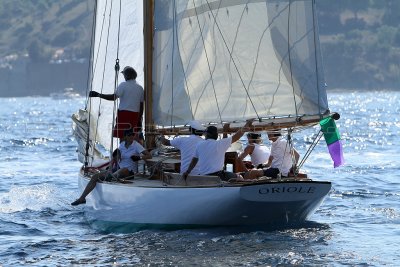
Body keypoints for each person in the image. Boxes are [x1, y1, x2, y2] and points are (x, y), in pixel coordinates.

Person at [71, 129, 151, 206]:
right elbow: (115, 157)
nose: (132, 137)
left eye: (133, 135)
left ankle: (109, 177)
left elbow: (149, 155)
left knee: (123, 170)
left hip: (130, 172)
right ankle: (82, 198)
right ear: (125, 136)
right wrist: (109, 168)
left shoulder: (136, 145)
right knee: (95, 177)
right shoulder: (122, 145)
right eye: (129, 135)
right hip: (118, 171)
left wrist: (139, 158)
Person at [182, 120, 253, 181]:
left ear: (206, 134)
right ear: (216, 135)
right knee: (239, 177)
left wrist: (187, 172)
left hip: (204, 176)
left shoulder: (199, 145)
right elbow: (237, 136)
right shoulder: (220, 144)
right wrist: (248, 123)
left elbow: (194, 160)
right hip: (218, 176)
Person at [88, 66, 144, 139]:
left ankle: (124, 149)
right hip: (135, 115)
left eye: (124, 74)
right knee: (133, 136)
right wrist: (139, 118)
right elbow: (141, 105)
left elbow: (113, 97)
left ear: (126, 75)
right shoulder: (140, 88)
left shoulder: (123, 85)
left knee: (123, 136)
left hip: (124, 114)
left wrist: (98, 95)